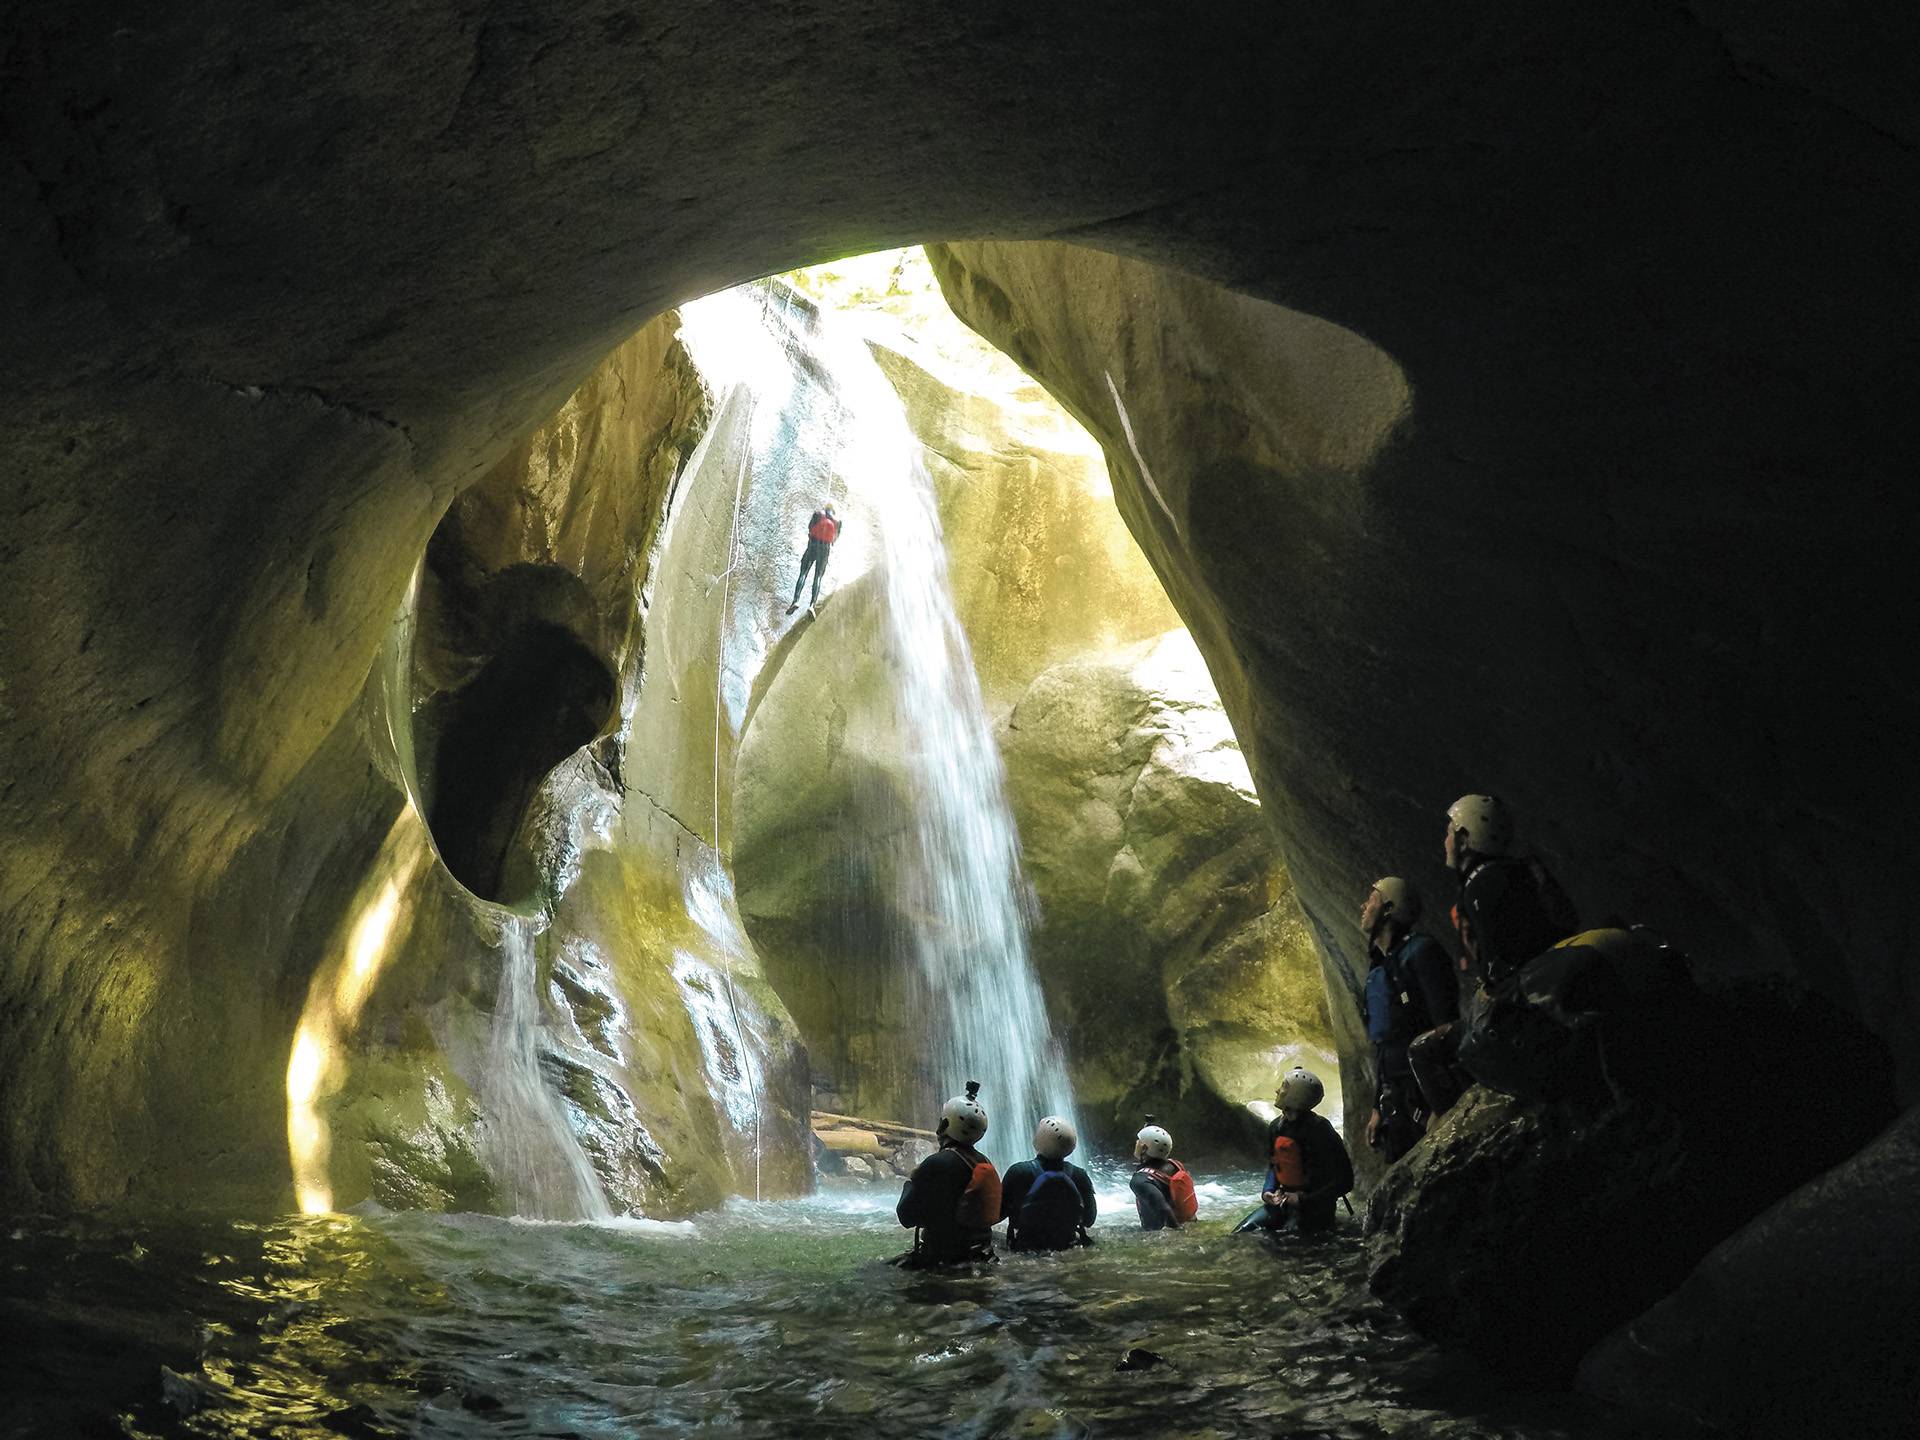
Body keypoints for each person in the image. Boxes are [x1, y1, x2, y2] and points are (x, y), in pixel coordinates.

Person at [1409, 794, 1580, 1122]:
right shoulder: (1516, 872)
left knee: (1429, 1050)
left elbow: (1500, 969)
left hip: (1531, 1002)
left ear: (1464, 838)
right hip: (1550, 985)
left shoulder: (1480, 886)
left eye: (1449, 832)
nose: (1444, 841)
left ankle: (1458, 1125)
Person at [1359, 877, 1458, 1163]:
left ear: (1388, 908)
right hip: (1396, 1100)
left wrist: (1441, 1106)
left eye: (1372, 899)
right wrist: (1378, 1107)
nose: (1364, 906)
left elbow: (1445, 1028)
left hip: (1426, 1095)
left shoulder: (1422, 952)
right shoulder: (1379, 968)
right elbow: (1383, 1046)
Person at [893, 1080, 1001, 1267]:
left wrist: (910, 1183)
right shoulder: (984, 1162)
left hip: (945, 1258)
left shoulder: (937, 1163)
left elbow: (906, 1216)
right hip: (980, 1254)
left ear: (944, 1125)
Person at [1234, 1067, 1352, 1236]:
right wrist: (1268, 1191)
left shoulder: (1321, 1131)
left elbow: (1345, 1181)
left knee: (1290, 1242)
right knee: (1240, 1234)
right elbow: (1275, 1165)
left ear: (1297, 1095)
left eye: (1284, 1087)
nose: (1278, 1090)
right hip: (1283, 1203)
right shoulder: (1276, 1127)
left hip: (1316, 1210)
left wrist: (1303, 1199)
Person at [1000, 1115, 1097, 1252]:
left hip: (1026, 1248)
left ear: (1040, 1138)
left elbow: (998, 1214)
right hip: (1068, 1245)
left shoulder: (1019, 1171)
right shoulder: (1079, 1175)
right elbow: (1089, 1219)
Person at [1128, 1116, 1199, 1231]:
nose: (1136, 1143)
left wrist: (1179, 1232)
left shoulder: (1139, 1181)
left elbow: (1163, 1208)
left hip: (1159, 1233)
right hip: (1189, 1221)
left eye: (1138, 1141)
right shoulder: (1176, 1165)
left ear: (1144, 1148)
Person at [786, 502, 842, 614]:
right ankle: (812, 606)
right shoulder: (837, 522)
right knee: (818, 577)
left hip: (812, 545)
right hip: (825, 549)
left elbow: (810, 528)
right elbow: (835, 539)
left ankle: (795, 601)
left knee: (803, 573)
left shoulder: (817, 514)